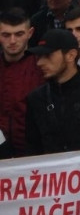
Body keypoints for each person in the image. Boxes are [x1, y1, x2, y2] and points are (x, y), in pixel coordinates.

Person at [0, 8, 44, 157]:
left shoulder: (42, 67)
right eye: (6, 35)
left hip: (34, 154)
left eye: (19, 34)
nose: (12, 41)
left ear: (30, 33)